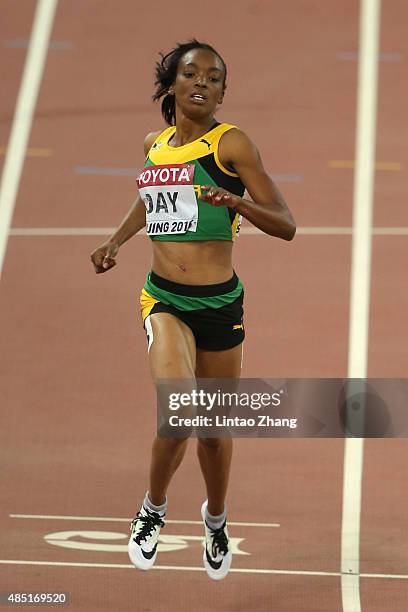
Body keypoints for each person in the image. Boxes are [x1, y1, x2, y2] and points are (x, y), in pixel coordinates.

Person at [90, 39, 296, 580]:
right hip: (164, 299)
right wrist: (116, 241)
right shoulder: (155, 145)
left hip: (220, 303)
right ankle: (152, 509)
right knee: (179, 414)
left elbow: (286, 223)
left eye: (214, 76)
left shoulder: (232, 147)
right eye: (191, 73)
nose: (202, 81)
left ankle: (216, 519)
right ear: (173, 84)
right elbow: (149, 196)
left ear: (224, 91)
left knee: (212, 430)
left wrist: (237, 202)